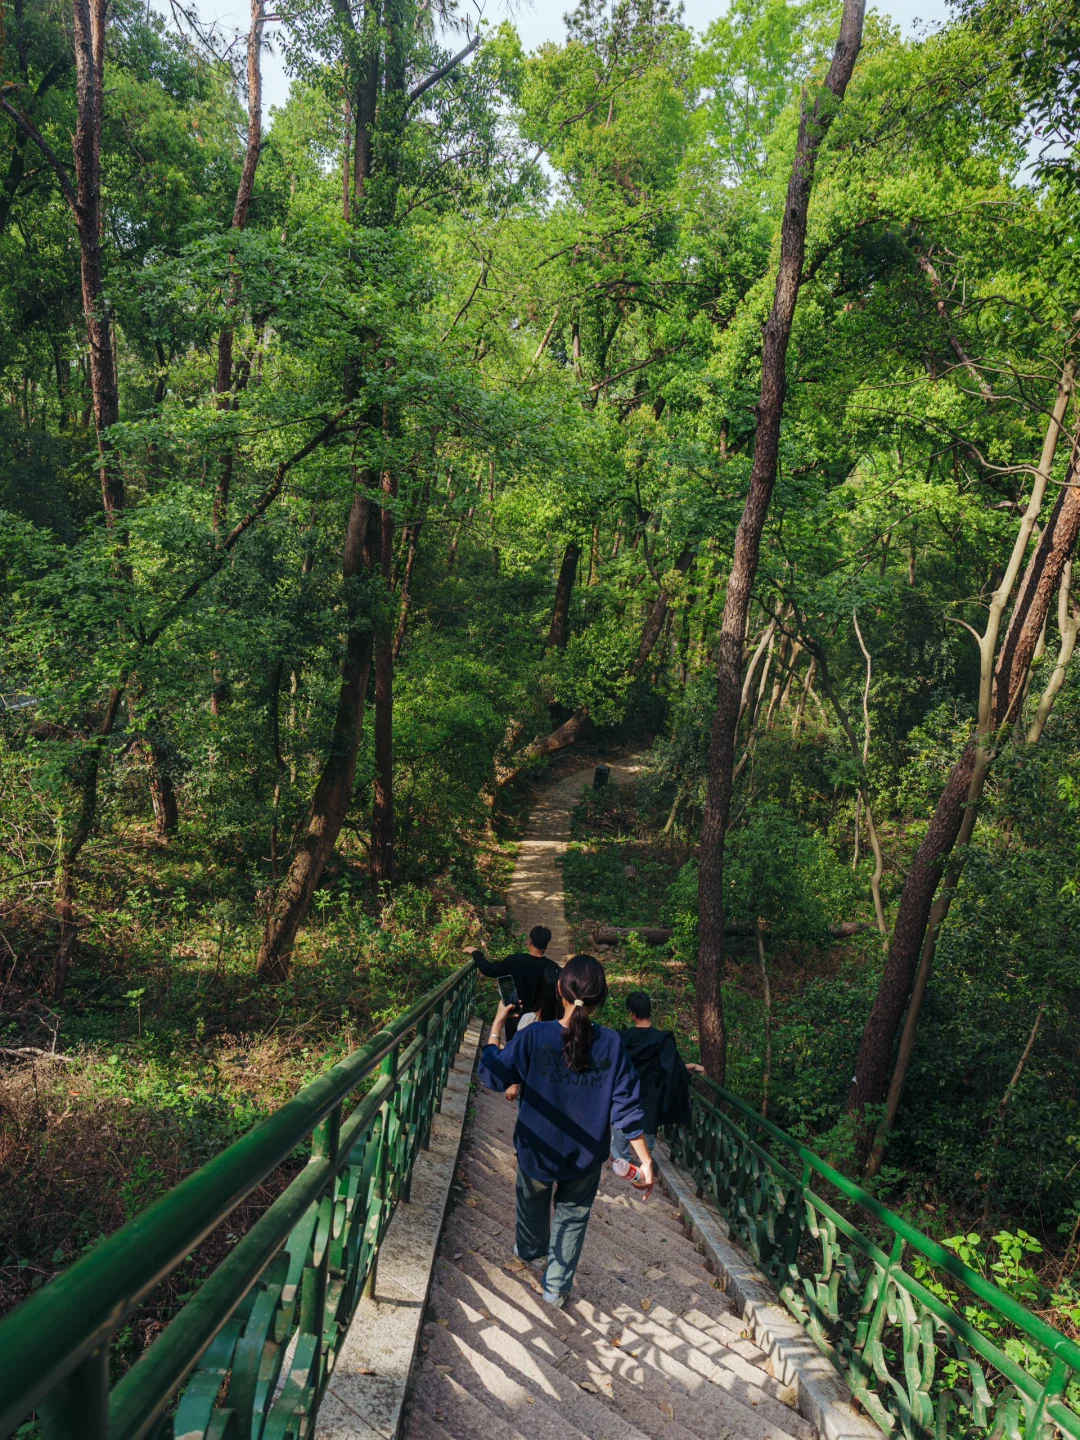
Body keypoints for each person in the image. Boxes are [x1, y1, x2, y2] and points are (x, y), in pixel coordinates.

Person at [478, 954, 653, 1308]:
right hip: (584, 1156)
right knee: (573, 1218)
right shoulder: (613, 1044)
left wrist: (496, 1027)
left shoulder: (534, 1036)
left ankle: (530, 1251)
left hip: (536, 1148)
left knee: (531, 1203)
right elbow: (627, 1109)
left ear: (559, 989)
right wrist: (645, 1162)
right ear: (600, 1000)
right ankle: (555, 1289)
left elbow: (493, 1074)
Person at [610, 990, 705, 1166]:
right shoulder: (662, 1040)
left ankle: (621, 1162)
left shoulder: (621, 1038)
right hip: (651, 1095)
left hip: (625, 1091)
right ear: (650, 1011)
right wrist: (692, 1066)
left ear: (631, 1013)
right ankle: (644, 1164)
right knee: (648, 1129)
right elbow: (672, 1069)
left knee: (621, 1125)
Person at [470, 925, 557, 1042]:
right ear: (546, 945)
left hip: (514, 1016)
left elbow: (489, 969)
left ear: (530, 942)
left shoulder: (514, 960)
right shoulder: (552, 968)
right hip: (541, 1019)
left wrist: (476, 953)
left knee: (513, 1048)